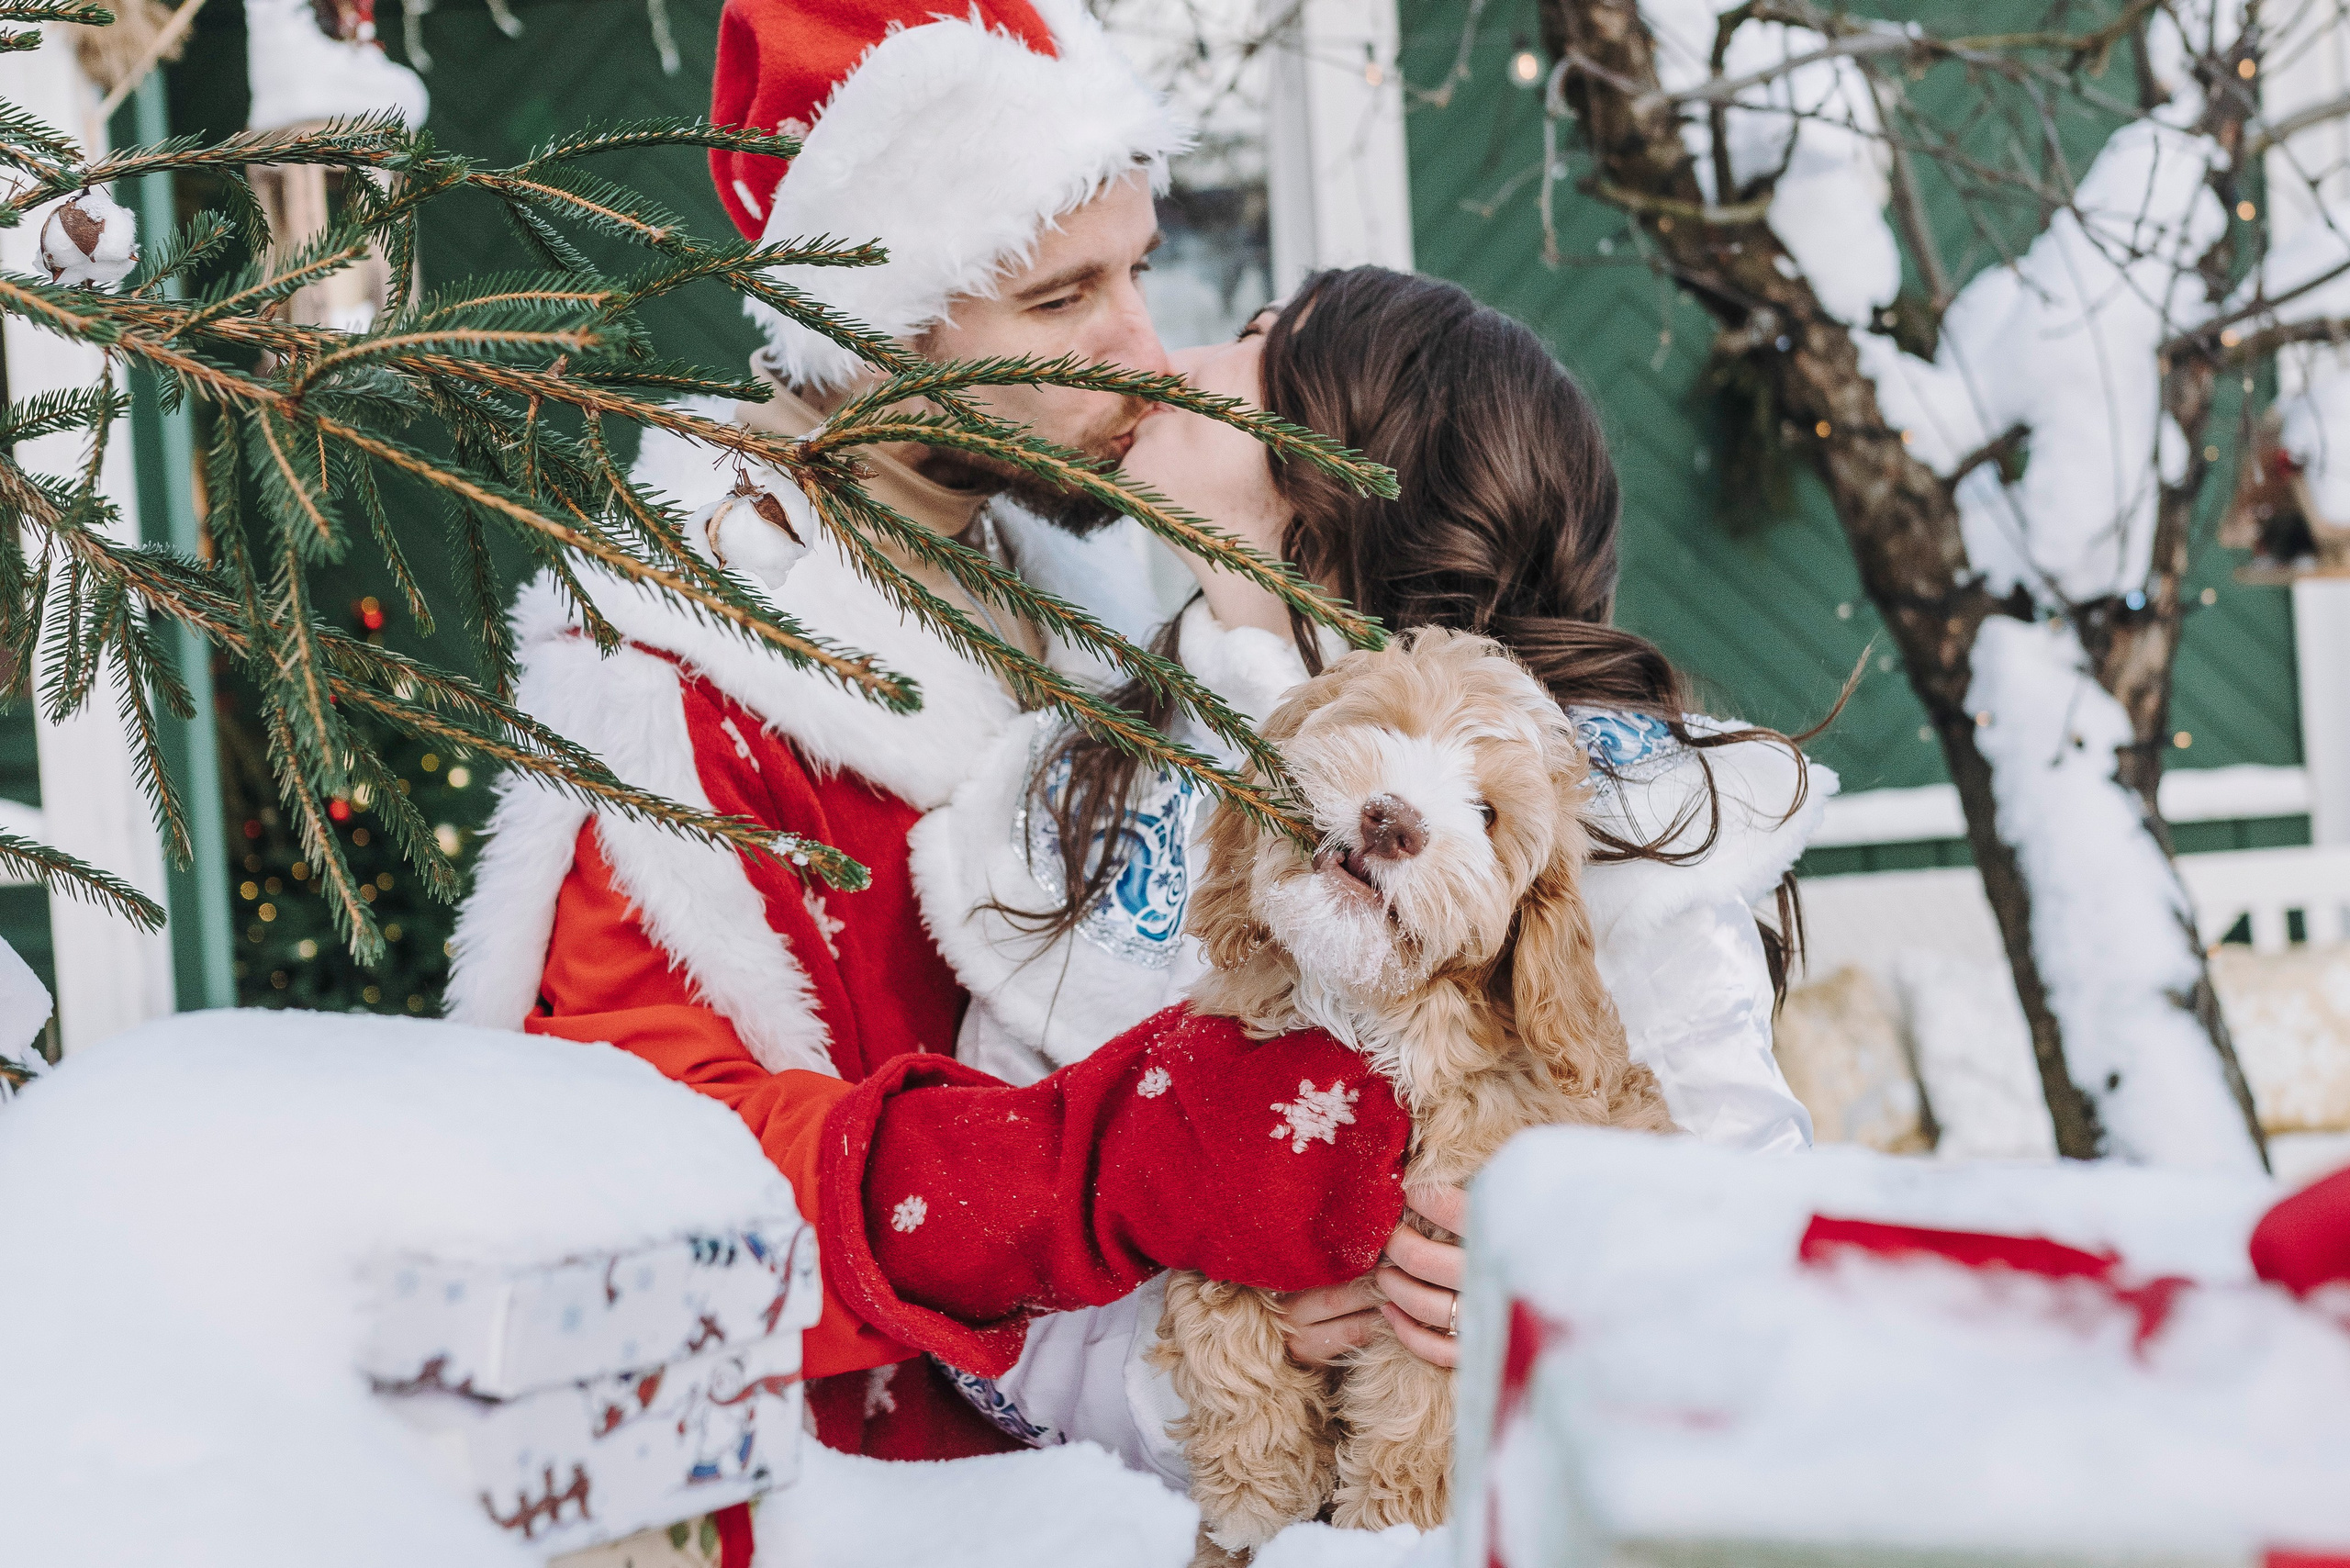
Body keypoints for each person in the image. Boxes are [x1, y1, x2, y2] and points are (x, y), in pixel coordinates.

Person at [443, 0, 1414, 1486]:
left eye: (1140, 272)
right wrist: (1099, 1171)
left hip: (1120, 1469)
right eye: (1058, 300)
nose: (1144, 350)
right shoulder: (681, 677)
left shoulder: (1076, 611)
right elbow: (631, 1188)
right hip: (871, 1501)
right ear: (873, 316)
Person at [912, 266, 1832, 1485]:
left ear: (1357, 478)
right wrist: (1194, 1357)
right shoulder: (1089, 795)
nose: (1175, 353)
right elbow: (992, 1282)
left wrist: (1567, 1296)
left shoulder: (1582, 824)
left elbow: (1751, 1245)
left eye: (1263, 340)